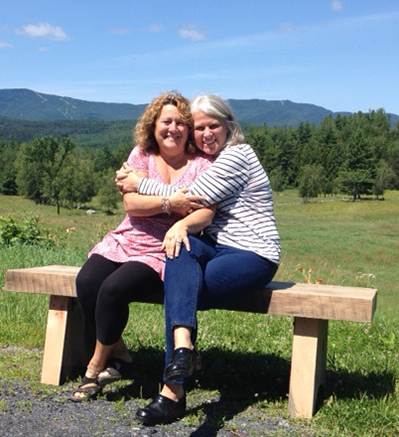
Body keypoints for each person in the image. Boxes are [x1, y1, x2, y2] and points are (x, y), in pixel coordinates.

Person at [117, 94, 281, 425]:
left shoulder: (237, 157)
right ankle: (183, 350)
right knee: (178, 248)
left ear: (229, 126)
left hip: (252, 253)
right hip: (216, 246)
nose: (206, 134)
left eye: (213, 126)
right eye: (200, 128)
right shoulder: (214, 160)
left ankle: (172, 390)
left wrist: (138, 183)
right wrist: (179, 227)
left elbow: (189, 197)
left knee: (181, 288)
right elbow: (190, 210)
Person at [70, 91, 213, 401]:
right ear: (153, 125)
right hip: (127, 237)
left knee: (113, 290)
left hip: (162, 247)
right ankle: (119, 353)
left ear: (188, 129)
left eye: (180, 123)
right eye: (166, 121)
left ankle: (95, 367)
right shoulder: (142, 155)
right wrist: (170, 201)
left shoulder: (201, 164)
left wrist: (162, 204)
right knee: (88, 282)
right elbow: (132, 204)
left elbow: (199, 207)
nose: (173, 128)